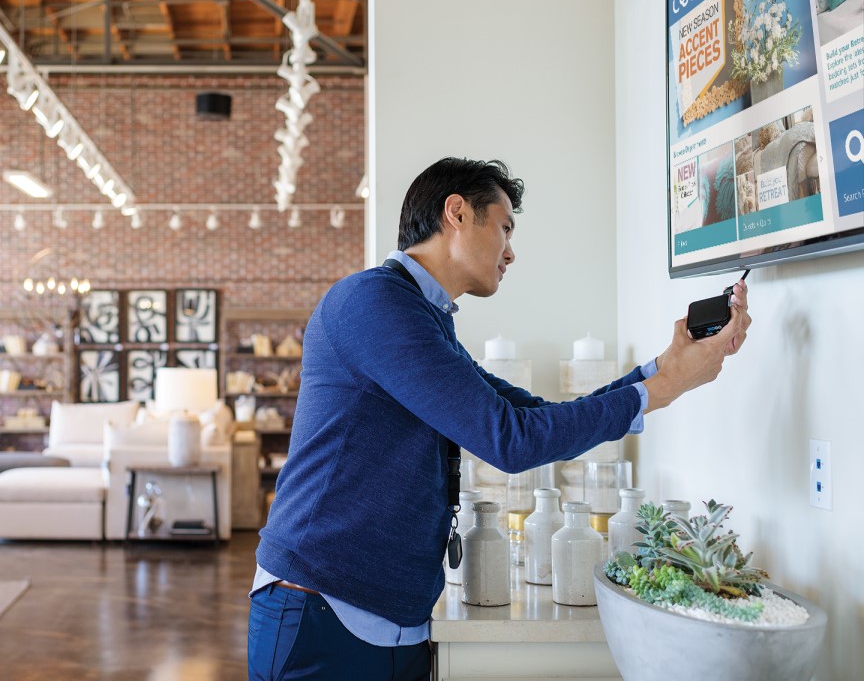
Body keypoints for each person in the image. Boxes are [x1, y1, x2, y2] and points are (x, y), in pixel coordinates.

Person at [247, 157, 750, 680]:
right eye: (505, 227)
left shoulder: (425, 321)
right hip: (323, 612)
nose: (511, 251)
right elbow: (510, 440)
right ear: (457, 213)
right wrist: (662, 388)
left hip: (390, 618)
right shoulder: (373, 302)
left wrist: (661, 371)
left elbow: (529, 415)